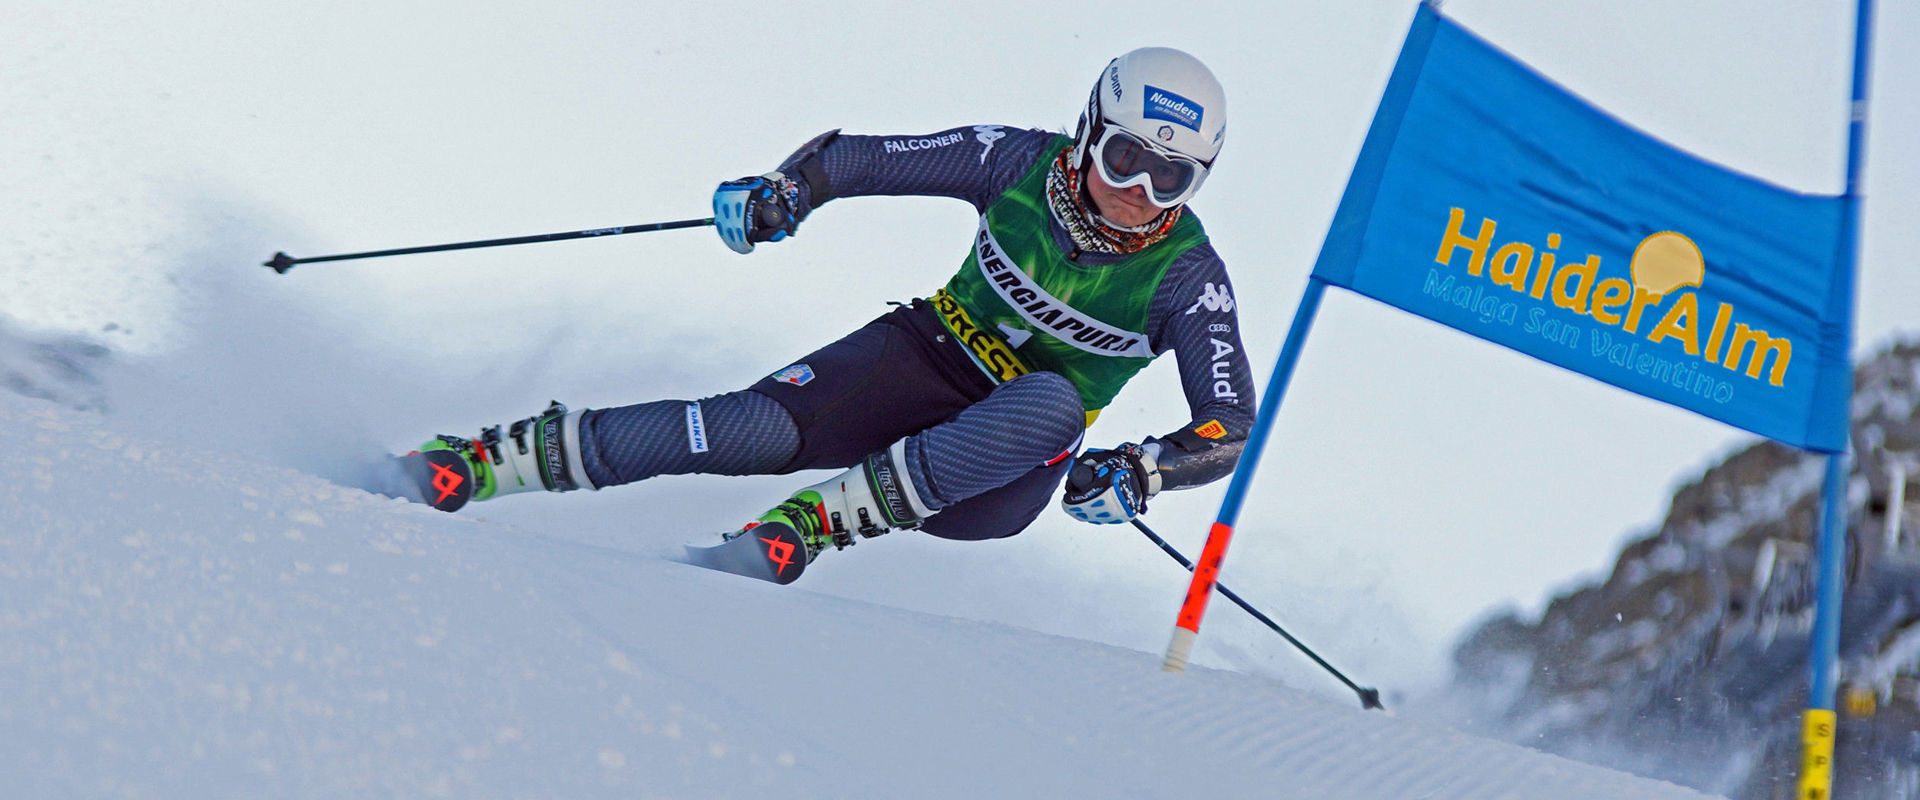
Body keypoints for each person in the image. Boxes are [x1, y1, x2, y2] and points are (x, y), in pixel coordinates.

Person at [412, 47, 1255, 571]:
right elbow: (859, 159)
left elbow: (1229, 423)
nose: (1136, 193)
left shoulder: (1188, 278)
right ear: (1087, 131)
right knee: (743, 429)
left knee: (1051, 402)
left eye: (1169, 178)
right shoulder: (1014, 162)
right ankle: (493, 460)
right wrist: (787, 192)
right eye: (1123, 159)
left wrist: (1141, 471)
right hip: (921, 356)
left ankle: (816, 526)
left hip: (1000, 471)